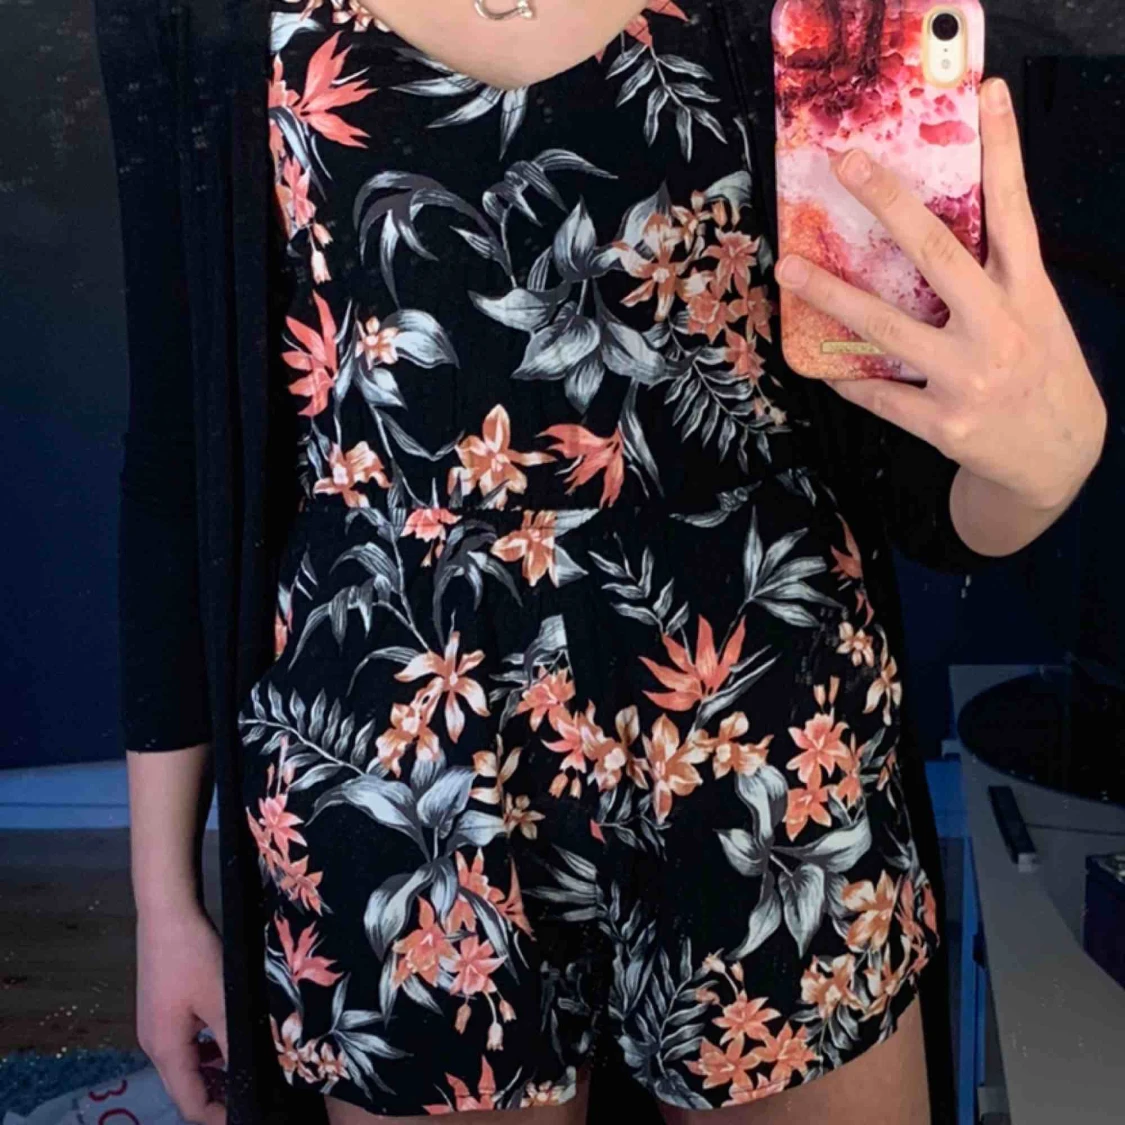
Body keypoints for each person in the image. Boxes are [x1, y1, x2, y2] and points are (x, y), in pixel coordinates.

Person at [96, 1, 1106, 1124]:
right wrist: (163, 898)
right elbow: (181, 451)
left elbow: (913, 482)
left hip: (770, 743)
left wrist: (1046, 466)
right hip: (392, 762)